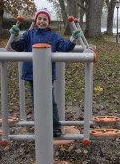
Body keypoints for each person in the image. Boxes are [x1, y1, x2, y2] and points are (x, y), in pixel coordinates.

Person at [9, 8, 82, 137]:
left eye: (45, 19)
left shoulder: (53, 36)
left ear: (49, 22)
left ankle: (56, 126)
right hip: (32, 74)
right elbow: (19, 47)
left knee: (51, 101)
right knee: (35, 101)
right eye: (40, 18)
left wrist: (73, 39)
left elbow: (64, 47)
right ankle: (40, 125)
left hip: (47, 74)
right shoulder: (29, 34)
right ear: (36, 20)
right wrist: (15, 37)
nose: (42, 21)